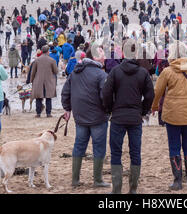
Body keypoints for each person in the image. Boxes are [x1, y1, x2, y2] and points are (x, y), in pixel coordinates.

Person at [151, 41, 187, 190]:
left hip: (172, 114)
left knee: (174, 146)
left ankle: (177, 181)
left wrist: (154, 106)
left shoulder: (167, 71)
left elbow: (157, 92)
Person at [102, 44, 154, 194]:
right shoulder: (143, 73)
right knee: (135, 152)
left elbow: (106, 93)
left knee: (116, 153)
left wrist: (110, 108)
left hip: (118, 117)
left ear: (123, 53)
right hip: (135, 117)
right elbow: (150, 95)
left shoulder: (115, 71)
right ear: (136, 53)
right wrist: (143, 110)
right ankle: (133, 189)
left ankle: (117, 189)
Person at [61, 50, 110, 188]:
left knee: (79, 145)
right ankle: (98, 180)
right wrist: (108, 110)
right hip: (98, 118)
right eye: (102, 54)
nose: (105, 57)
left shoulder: (75, 72)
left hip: (80, 117)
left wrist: (67, 109)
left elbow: (65, 92)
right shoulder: (101, 74)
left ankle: (75, 180)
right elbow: (105, 97)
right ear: (94, 57)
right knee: (99, 148)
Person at [30, 45, 58, 118]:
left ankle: (38, 113)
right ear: (48, 51)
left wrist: (31, 80)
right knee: (48, 97)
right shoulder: (52, 60)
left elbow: (33, 72)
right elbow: (56, 71)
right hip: (49, 81)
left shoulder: (37, 60)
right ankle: (48, 113)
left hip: (38, 81)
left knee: (38, 98)